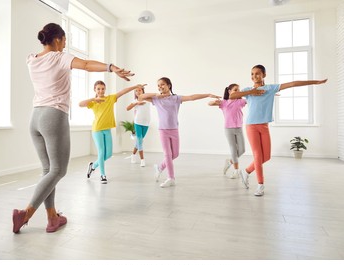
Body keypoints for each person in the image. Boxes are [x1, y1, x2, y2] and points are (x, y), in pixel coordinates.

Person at [12, 23, 134, 234]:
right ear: (57, 39)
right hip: (53, 116)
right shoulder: (59, 57)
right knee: (59, 170)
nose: (66, 43)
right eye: (65, 39)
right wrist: (111, 68)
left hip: (35, 117)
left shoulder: (32, 59)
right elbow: (86, 64)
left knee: (47, 170)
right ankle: (26, 213)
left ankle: (52, 218)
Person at [230, 64, 327, 196]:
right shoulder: (248, 90)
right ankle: (260, 185)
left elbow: (292, 84)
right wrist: (251, 92)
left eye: (258, 73)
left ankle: (246, 171)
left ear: (264, 75)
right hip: (251, 126)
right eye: (252, 74)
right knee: (258, 156)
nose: (254, 76)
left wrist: (315, 82)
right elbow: (232, 95)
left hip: (264, 126)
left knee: (266, 157)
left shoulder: (270, 89)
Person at [139, 77, 220, 187]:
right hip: (163, 130)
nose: (160, 87)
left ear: (169, 85)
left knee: (175, 154)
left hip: (174, 129)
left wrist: (208, 94)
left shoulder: (176, 98)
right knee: (168, 154)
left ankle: (159, 168)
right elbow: (141, 97)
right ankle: (171, 178)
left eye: (162, 84)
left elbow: (192, 97)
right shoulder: (156, 99)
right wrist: (156, 94)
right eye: (158, 85)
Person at [80, 81, 146, 184]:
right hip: (97, 129)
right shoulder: (93, 102)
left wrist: (135, 86)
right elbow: (80, 104)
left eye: (102, 88)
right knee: (101, 152)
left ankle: (93, 166)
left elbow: (123, 91)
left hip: (107, 129)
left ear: (105, 89)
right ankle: (103, 175)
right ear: (95, 90)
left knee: (109, 154)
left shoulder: (110, 98)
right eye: (98, 89)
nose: (101, 91)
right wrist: (93, 99)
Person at [209, 84, 247, 179]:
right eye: (235, 90)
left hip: (239, 128)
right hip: (228, 129)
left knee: (242, 150)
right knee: (233, 149)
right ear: (229, 91)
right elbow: (209, 103)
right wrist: (214, 101)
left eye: (239, 90)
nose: (238, 91)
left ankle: (229, 161)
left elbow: (251, 99)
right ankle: (236, 170)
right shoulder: (224, 103)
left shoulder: (240, 101)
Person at [126, 86, 151, 167]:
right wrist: (137, 103)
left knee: (139, 141)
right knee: (140, 141)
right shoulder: (135, 101)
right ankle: (142, 159)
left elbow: (154, 96)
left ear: (143, 91)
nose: (138, 92)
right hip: (138, 123)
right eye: (136, 91)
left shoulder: (147, 99)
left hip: (146, 123)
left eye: (139, 90)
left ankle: (133, 154)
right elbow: (127, 108)